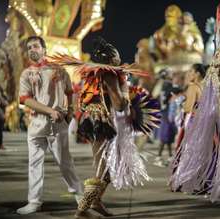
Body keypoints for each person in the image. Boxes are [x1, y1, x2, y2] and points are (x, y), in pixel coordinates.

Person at [53, 37, 152, 219]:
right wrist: (127, 96)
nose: (119, 58)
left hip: (95, 120)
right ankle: (82, 210)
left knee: (107, 167)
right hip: (102, 123)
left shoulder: (96, 73)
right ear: (111, 58)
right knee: (102, 167)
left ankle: (96, 202)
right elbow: (119, 103)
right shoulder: (109, 73)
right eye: (117, 55)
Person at [16, 36, 83, 215]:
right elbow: (25, 100)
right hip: (36, 124)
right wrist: (49, 110)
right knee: (34, 164)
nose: (32, 50)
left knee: (64, 162)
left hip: (57, 124)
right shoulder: (26, 74)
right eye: (29, 47)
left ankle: (80, 196)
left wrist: (70, 111)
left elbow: (71, 91)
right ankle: (34, 201)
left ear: (44, 50)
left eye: (36, 46)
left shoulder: (59, 70)